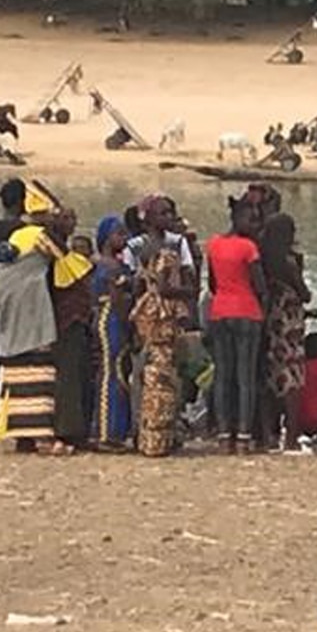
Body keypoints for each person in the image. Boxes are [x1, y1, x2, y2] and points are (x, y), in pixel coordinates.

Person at [0, 217, 59, 453]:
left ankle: (22, 438)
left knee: (15, 384)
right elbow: (64, 256)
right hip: (32, 332)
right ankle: (40, 437)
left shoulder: (4, 272)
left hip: (12, 335)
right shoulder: (32, 262)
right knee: (39, 380)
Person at [130, 196, 193, 457]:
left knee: (168, 375)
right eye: (163, 213)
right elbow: (135, 282)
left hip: (165, 314)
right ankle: (147, 435)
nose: (168, 217)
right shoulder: (136, 246)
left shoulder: (178, 243)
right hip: (152, 315)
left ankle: (166, 434)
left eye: (171, 212)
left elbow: (189, 276)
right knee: (150, 373)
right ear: (150, 218)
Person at [207, 198, 266, 453]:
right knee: (245, 377)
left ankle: (223, 435)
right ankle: (243, 434)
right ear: (238, 217)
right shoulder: (249, 248)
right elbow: (260, 286)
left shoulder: (214, 244)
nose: (254, 224)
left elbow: (211, 283)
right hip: (247, 312)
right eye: (251, 219)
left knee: (222, 375)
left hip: (220, 310)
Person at [44, 199, 94, 453]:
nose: (71, 223)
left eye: (72, 218)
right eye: (65, 218)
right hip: (65, 321)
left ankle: (76, 429)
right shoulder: (53, 253)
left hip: (77, 320)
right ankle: (67, 431)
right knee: (68, 377)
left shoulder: (68, 255)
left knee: (78, 375)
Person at [260, 211, 312, 453]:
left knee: (272, 378)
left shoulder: (265, 259)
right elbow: (305, 294)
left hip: (273, 321)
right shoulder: (289, 263)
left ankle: (269, 435)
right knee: (292, 380)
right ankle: (291, 437)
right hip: (290, 325)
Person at [0, 179, 29, 405]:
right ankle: (13, 404)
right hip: (22, 296)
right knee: (19, 352)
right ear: (22, 201)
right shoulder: (25, 231)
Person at [90, 216, 135, 450]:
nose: (124, 238)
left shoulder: (106, 263)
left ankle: (112, 429)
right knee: (111, 372)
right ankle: (107, 432)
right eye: (119, 233)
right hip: (111, 318)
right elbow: (116, 298)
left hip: (108, 317)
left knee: (115, 371)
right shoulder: (109, 266)